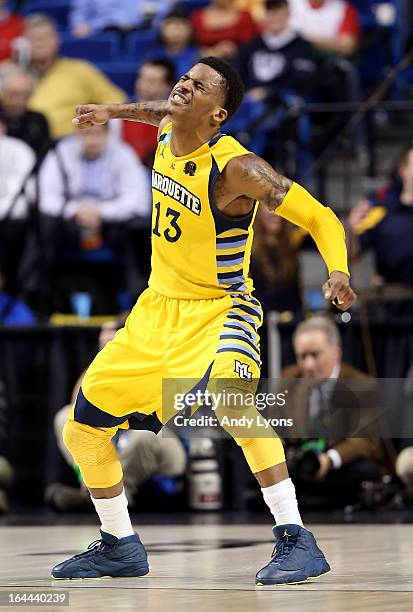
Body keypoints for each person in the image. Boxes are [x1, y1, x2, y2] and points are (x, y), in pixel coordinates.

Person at [51, 56, 356, 585]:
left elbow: (319, 216)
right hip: (156, 309)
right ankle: (119, 543)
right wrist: (110, 110)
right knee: (84, 428)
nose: (183, 87)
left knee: (233, 402)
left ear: (218, 115)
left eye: (199, 86)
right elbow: (153, 112)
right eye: (184, 79)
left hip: (222, 306)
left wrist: (337, 271)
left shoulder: (238, 168)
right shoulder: (171, 127)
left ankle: (296, 538)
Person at [48, 321, 187, 511]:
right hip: (119, 444)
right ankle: (92, 491)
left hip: (162, 446)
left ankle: (115, 497)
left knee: (142, 435)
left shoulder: (156, 360)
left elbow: (160, 417)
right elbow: (79, 407)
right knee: (67, 419)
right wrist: (104, 362)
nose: (108, 340)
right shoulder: (99, 368)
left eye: (114, 336)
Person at [38, 123, 151, 314]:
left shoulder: (123, 154)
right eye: (85, 133)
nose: (91, 140)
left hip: (111, 225)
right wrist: (75, 210)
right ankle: (44, 302)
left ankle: (135, 301)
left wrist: (101, 211)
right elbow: (45, 199)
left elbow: (140, 202)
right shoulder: (59, 153)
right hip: (68, 226)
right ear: (76, 133)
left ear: (108, 134)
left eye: (97, 134)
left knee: (138, 229)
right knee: (44, 224)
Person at [280, 316, 388, 509]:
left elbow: (365, 441)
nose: (308, 365)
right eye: (302, 356)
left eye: (315, 355)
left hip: (339, 465)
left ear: (336, 352)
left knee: (365, 470)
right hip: (301, 463)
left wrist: (328, 459)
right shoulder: (289, 378)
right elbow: (275, 425)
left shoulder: (361, 385)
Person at [22, 14, 126, 139]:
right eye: (33, 38)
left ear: (57, 40)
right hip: (19, 145)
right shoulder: (10, 73)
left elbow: (116, 101)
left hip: (70, 144)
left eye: (45, 37)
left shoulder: (80, 70)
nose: (39, 43)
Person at [347, 144, 413, 317]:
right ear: (403, 170)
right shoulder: (380, 212)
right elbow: (352, 254)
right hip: (393, 312)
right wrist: (351, 229)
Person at [237, 0, 316, 102]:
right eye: (270, 11)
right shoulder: (253, 44)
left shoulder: (301, 45)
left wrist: (269, 91)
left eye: (278, 11)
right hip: (250, 99)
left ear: (288, 14)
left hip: (283, 101)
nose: (274, 16)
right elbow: (239, 70)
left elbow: (304, 79)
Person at [0, 111, 36, 296]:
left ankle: (14, 296)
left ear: (3, 127)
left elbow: (20, 192)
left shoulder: (19, 151)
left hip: (12, 221)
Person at [250, 204, 304, 317]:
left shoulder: (292, 242)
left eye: (278, 208)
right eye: (269, 207)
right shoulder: (248, 248)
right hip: (259, 322)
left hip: (291, 320)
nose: (274, 213)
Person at [122, 59, 176, 166]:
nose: (143, 85)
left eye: (151, 81)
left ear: (167, 86)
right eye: (141, 78)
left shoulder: (176, 120)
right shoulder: (120, 114)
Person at [0, 68, 51, 162]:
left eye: (23, 96)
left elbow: (45, 156)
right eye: (12, 95)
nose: (16, 101)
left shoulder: (38, 121)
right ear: (3, 93)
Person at [288, 0, 361, 58]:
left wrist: (302, 41)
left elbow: (348, 46)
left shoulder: (343, 8)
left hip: (326, 62)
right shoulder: (288, 3)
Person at [190, 0, 257, 60]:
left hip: (236, 64)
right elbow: (189, 45)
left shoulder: (245, 16)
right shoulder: (196, 16)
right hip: (202, 63)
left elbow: (251, 45)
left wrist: (233, 49)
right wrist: (212, 52)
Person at [154, 6, 199, 81]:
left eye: (181, 26)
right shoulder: (153, 55)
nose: (176, 32)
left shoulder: (197, 56)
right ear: (162, 29)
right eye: (172, 26)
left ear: (190, 30)